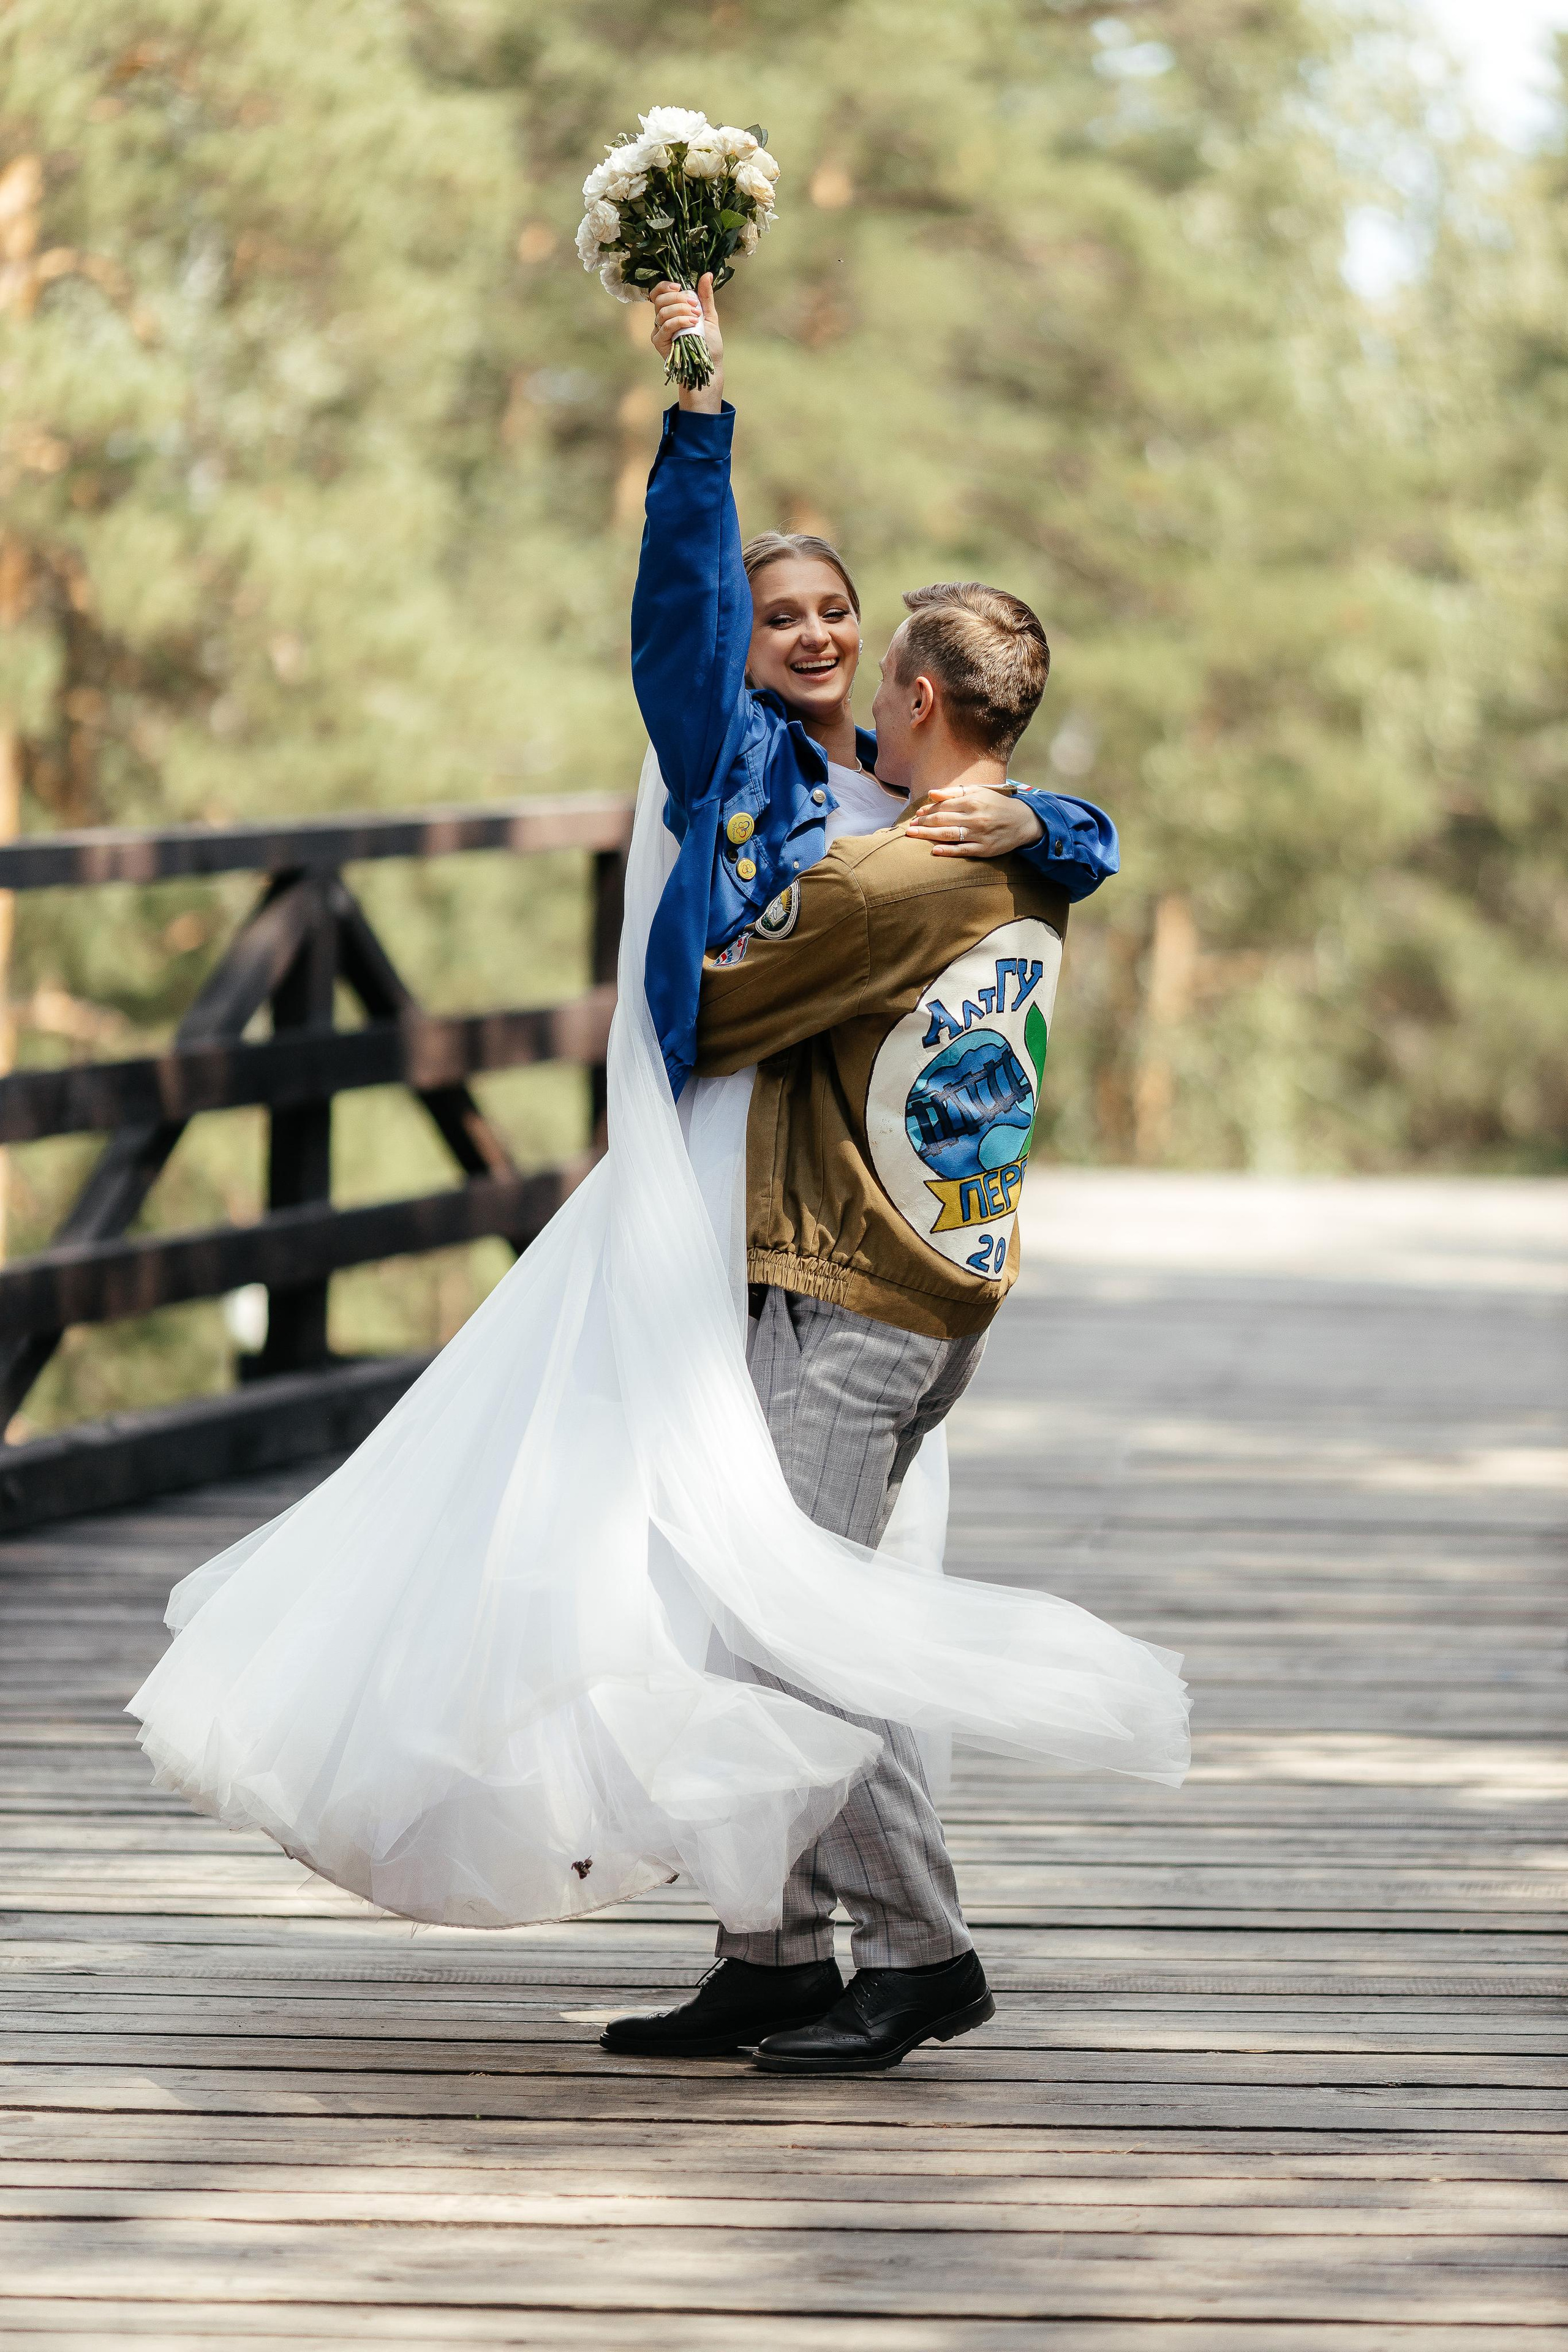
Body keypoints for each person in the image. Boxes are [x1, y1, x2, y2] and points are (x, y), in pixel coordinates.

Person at [602, 570, 1083, 2073]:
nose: (861, 707)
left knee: (794, 1635)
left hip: (851, 1293)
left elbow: (710, 1008)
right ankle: (780, 1952)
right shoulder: (1025, 862)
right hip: (932, 1287)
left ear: (922, 702)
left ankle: (922, 1952)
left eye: (880, 684)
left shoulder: (887, 886)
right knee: (784, 1613)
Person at [630, 275, 1120, 1098]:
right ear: (739, 652)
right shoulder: (729, 760)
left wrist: (1032, 818)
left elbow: (1095, 846)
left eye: (835, 610)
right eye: (780, 620)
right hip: (748, 1101)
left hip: (865, 1128)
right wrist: (700, 404)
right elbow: (684, 605)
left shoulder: (904, 772)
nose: (816, 634)